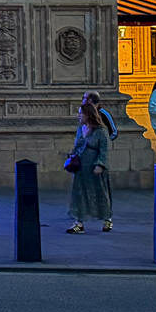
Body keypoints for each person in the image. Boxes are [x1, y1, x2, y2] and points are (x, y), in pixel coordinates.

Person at [65, 97, 113, 234]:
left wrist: (100, 164)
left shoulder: (101, 131)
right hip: (81, 166)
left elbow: (103, 150)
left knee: (100, 193)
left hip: (94, 166)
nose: (79, 116)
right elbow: (77, 145)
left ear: (89, 115)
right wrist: (71, 156)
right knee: (78, 193)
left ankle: (107, 219)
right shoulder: (81, 129)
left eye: (81, 113)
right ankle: (78, 222)